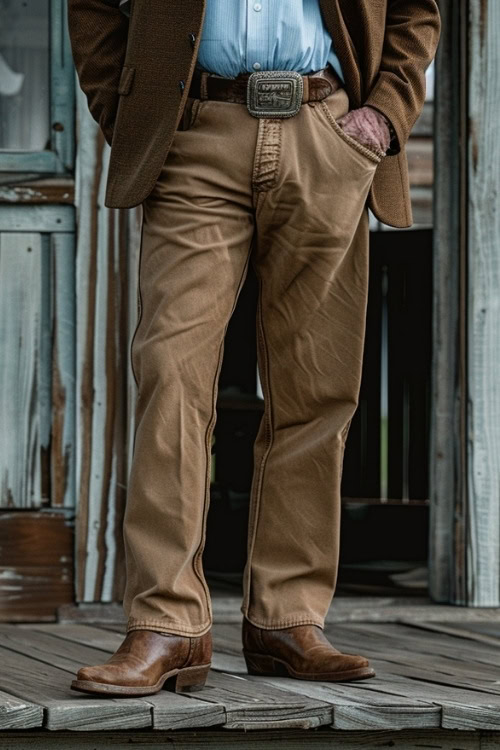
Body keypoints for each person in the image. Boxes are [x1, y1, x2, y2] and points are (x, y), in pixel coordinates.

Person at [67, 0, 441, 697]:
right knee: (171, 373)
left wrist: (385, 113)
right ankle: (166, 621)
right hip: (196, 130)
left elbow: (417, 8)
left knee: (316, 387)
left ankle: (287, 618)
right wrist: (130, 111)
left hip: (328, 130)